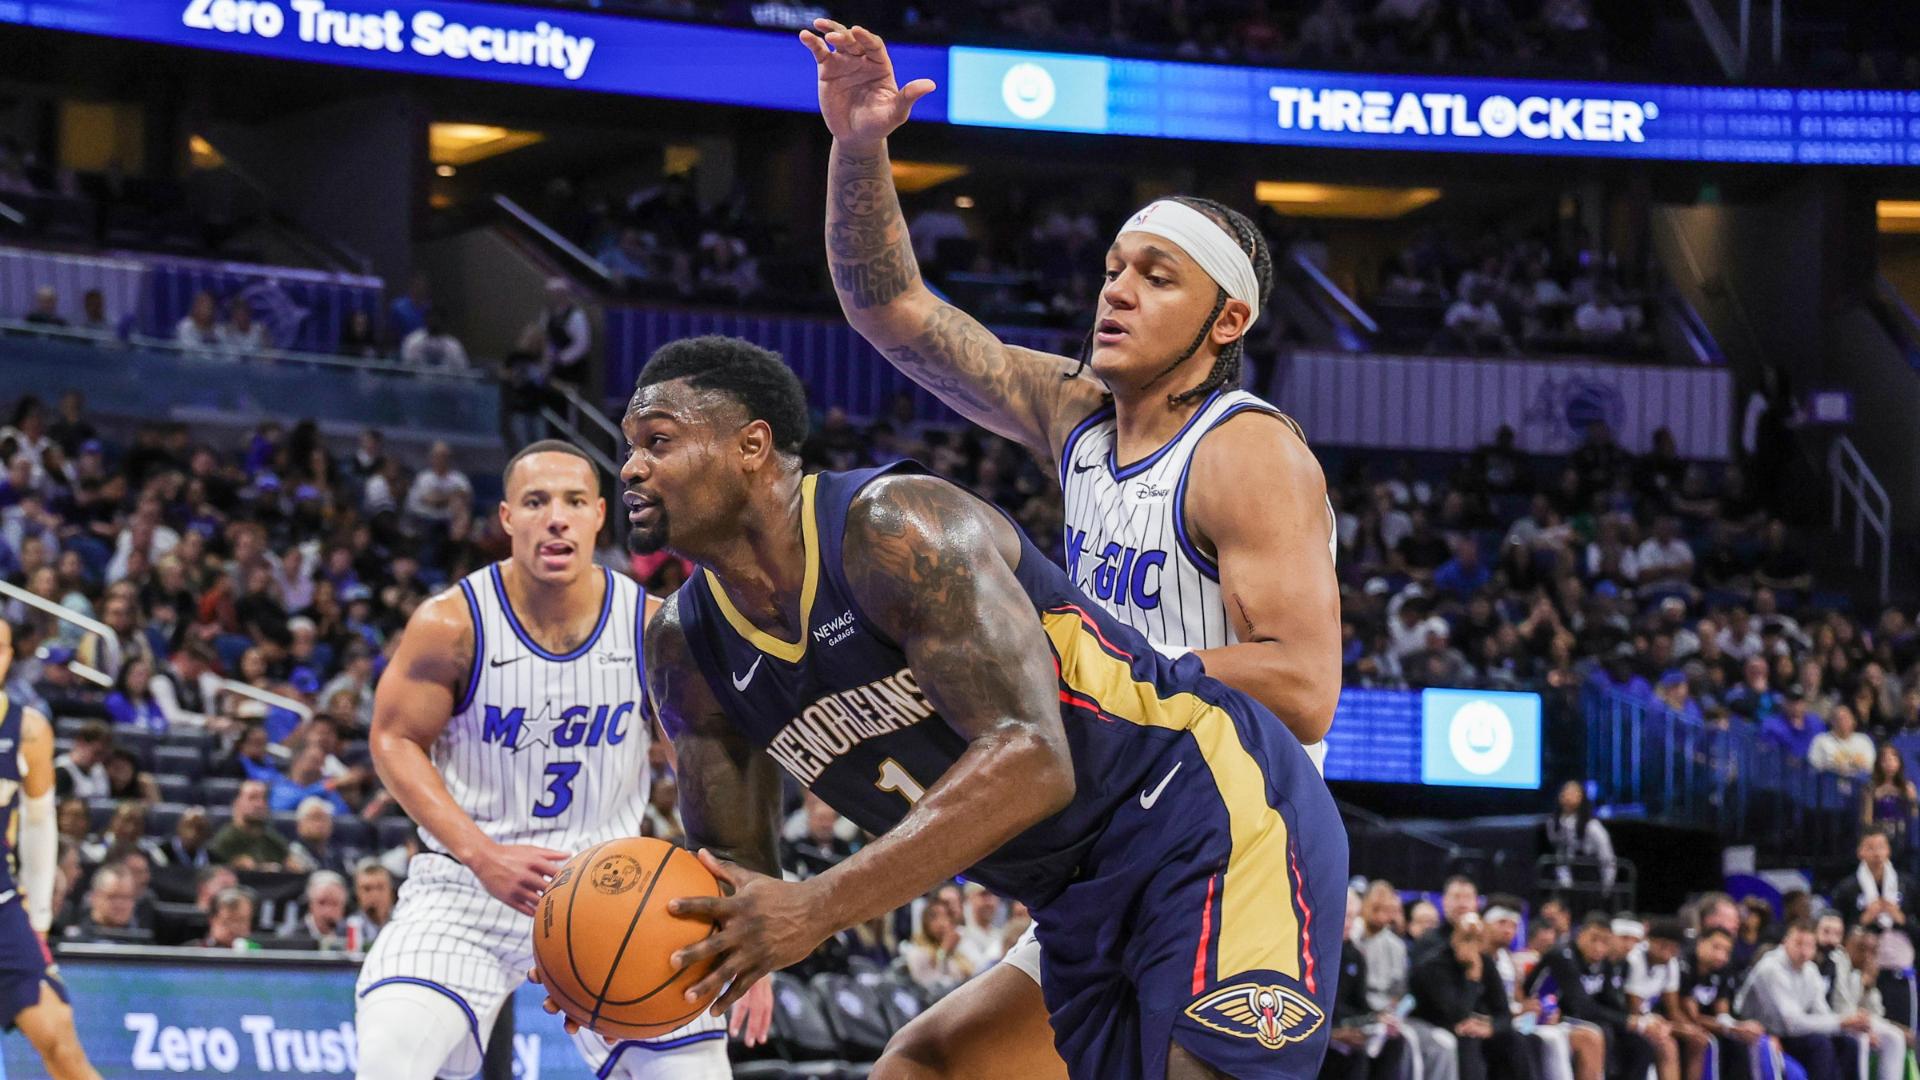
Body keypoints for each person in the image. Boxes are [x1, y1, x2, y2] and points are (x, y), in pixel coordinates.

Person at [551, 335, 1346, 1080]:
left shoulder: (896, 530)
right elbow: (735, 883)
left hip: (1205, 811)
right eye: (627, 447)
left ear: (752, 447)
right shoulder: (684, 648)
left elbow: (1033, 761)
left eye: (657, 441)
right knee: (920, 1069)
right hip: (1073, 894)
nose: (630, 468)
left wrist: (818, 907)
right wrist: (601, 971)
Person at [808, 22, 1341, 1078]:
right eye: (1113, 268)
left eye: (1156, 276)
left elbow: (1302, 683)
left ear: (1226, 318)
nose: (1117, 289)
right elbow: (891, 310)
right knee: (924, 1067)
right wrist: (860, 144)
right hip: (1110, 821)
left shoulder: (1246, 455)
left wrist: (1080, 673)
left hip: (1234, 821)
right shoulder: (1076, 414)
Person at [354, 440, 764, 1080]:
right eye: (536, 501)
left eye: (574, 501)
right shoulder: (450, 624)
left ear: (600, 515)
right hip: (467, 888)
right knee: (388, 1062)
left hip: (614, 891)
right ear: (507, 518)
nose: (556, 517)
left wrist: (743, 908)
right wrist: (482, 855)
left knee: (695, 1073)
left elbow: (708, 766)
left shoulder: (653, 625)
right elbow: (393, 739)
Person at [0, 621, 103, 1077]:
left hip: (1, 906)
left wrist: (39, 918)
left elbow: (40, 825)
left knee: (58, 1036)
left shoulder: (28, 729)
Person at [1736, 919, 1902, 1080]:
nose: (1803, 951)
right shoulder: (1771, 968)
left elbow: (1822, 1013)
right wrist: (1842, 1022)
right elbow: (1792, 1024)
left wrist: (1850, 1024)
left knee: (1848, 1043)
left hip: (1789, 1033)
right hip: (1759, 1033)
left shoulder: (1810, 970)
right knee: (1820, 1045)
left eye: (1809, 946)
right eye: (1798, 943)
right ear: (1785, 941)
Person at [1529, 914, 1659, 1080]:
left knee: (1640, 1043)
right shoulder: (1562, 956)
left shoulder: (1604, 963)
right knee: (1601, 1032)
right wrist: (1628, 1021)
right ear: (1580, 935)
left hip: (1575, 1017)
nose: (1599, 947)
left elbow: (1611, 1001)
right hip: (1544, 1016)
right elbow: (1580, 1006)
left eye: (1605, 942)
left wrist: (1637, 1021)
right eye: (1594, 939)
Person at [1828, 826, 1919, 1031]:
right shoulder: (1847, 888)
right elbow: (1835, 932)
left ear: (1889, 850)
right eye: (1870, 848)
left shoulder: (1907, 885)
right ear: (1860, 851)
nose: (1877, 853)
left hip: (1899, 973)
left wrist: (1902, 919)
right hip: (1862, 974)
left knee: (1904, 1035)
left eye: (1881, 847)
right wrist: (1863, 920)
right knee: (1865, 1033)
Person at [1673, 926, 1768, 1080]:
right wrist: (1731, 1028)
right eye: (1716, 947)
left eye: (1726, 951)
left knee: (1741, 1042)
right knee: (1703, 1040)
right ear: (1701, 942)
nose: (1721, 955)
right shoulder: (1685, 966)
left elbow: (1722, 1013)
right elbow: (1692, 1016)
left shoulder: (1723, 969)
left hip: (1710, 1025)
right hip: (1681, 1021)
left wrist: (1736, 1027)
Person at [207, 780, 292, 870]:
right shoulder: (223, 842)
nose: (259, 804)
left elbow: (291, 863)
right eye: (252, 798)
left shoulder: (274, 841)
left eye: (264, 798)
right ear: (236, 803)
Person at [900, 896, 975, 997]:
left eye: (946, 916)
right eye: (934, 917)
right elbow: (933, 991)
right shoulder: (917, 953)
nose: (942, 923)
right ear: (925, 923)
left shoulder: (959, 949)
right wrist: (943, 952)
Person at [50, 720, 109, 798]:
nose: (99, 759)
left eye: (103, 754)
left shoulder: (99, 770)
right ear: (81, 742)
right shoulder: (62, 769)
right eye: (97, 753)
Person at [344, 861, 396, 949]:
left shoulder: (403, 922)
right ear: (357, 893)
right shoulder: (347, 928)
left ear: (390, 890)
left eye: (380, 887)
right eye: (367, 889)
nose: (374, 894)